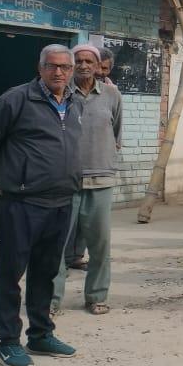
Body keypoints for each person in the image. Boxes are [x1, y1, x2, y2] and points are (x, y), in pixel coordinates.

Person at [0, 45, 82, 366]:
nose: (59, 72)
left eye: (65, 67)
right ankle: (8, 341)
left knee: (46, 273)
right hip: (22, 203)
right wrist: (0, 180)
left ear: (71, 70)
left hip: (61, 202)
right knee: (10, 273)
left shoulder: (74, 102)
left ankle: (41, 334)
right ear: (40, 67)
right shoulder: (15, 99)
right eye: (52, 66)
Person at [52, 45, 123, 316]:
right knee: (57, 245)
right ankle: (51, 300)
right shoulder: (61, 93)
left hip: (101, 180)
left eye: (89, 61)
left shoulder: (112, 95)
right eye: (78, 61)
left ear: (97, 65)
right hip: (64, 181)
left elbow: (116, 133)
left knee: (100, 245)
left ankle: (96, 296)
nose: (83, 65)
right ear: (71, 65)